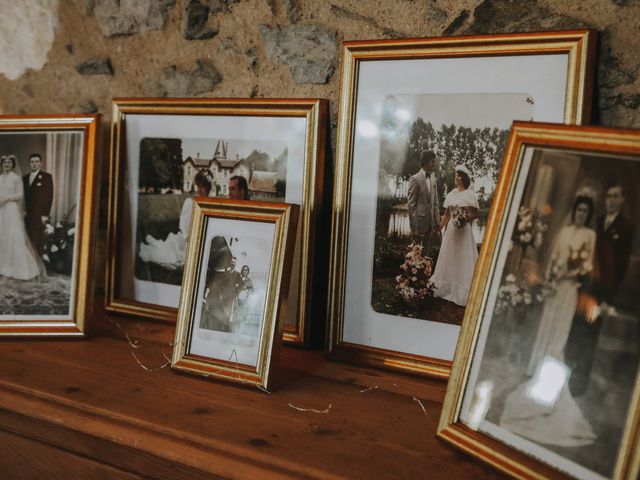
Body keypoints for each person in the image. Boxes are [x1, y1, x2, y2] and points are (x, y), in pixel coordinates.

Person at [499, 194, 597, 447]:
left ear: (589, 215)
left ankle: (548, 380)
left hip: (569, 290)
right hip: (555, 290)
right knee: (547, 328)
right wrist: (553, 275)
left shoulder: (589, 235)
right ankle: (536, 368)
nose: (581, 215)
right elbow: (553, 259)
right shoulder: (564, 232)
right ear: (574, 211)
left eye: (586, 212)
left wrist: (570, 271)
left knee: (560, 334)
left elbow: (586, 264)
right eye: (579, 210)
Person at [566, 183, 635, 396]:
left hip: (603, 293)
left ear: (623, 199)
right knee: (576, 332)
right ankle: (566, 379)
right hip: (587, 289)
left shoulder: (626, 228)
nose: (611, 200)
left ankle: (578, 387)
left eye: (615, 196)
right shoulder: (597, 221)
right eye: (608, 197)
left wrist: (608, 299)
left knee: (590, 337)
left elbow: (620, 267)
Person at [139, 170, 212, 268]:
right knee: (171, 255)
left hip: (204, 240)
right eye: (202, 186)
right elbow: (184, 227)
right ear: (198, 186)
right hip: (189, 240)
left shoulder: (212, 204)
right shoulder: (191, 202)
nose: (204, 190)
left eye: (207, 187)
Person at [429, 166, 479, 306]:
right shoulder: (451, 194)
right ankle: (445, 287)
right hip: (451, 230)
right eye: (455, 175)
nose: (455, 177)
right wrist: (439, 227)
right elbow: (446, 214)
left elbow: (475, 214)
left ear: (463, 178)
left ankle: (462, 289)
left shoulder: (470, 194)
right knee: (449, 256)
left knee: (463, 258)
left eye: (458, 175)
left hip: (464, 231)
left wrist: (464, 219)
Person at [0, 155, 44, 280]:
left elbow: (20, 194)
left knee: (13, 236)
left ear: (12, 165)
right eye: (4, 163)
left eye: (9, 163)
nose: (7, 165)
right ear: (2, 164)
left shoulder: (16, 178)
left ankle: (19, 267)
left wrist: (7, 198)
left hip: (11, 209)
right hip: (1, 211)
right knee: (2, 235)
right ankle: (3, 265)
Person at [407, 150, 440, 256]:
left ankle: (425, 273)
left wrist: (437, 224)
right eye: (433, 161)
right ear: (426, 162)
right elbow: (411, 205)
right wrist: (414, 227)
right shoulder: (415, 179)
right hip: (419, 226)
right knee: (415, 257)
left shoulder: (433, 180)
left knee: (426, 256)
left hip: (430, 225)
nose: (434, 164)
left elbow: (435, 204)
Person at [22, 153, 54, 256]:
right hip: (26, 215)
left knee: (37, 241)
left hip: (39, 215)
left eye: (36, 161)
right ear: (29, 163)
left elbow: (49, 197)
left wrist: (45, 215)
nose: (34, 164)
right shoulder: (25, 178)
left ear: (40, 163)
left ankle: (38, 267)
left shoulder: (46, 177)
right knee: (27, 241)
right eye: (32, 162)